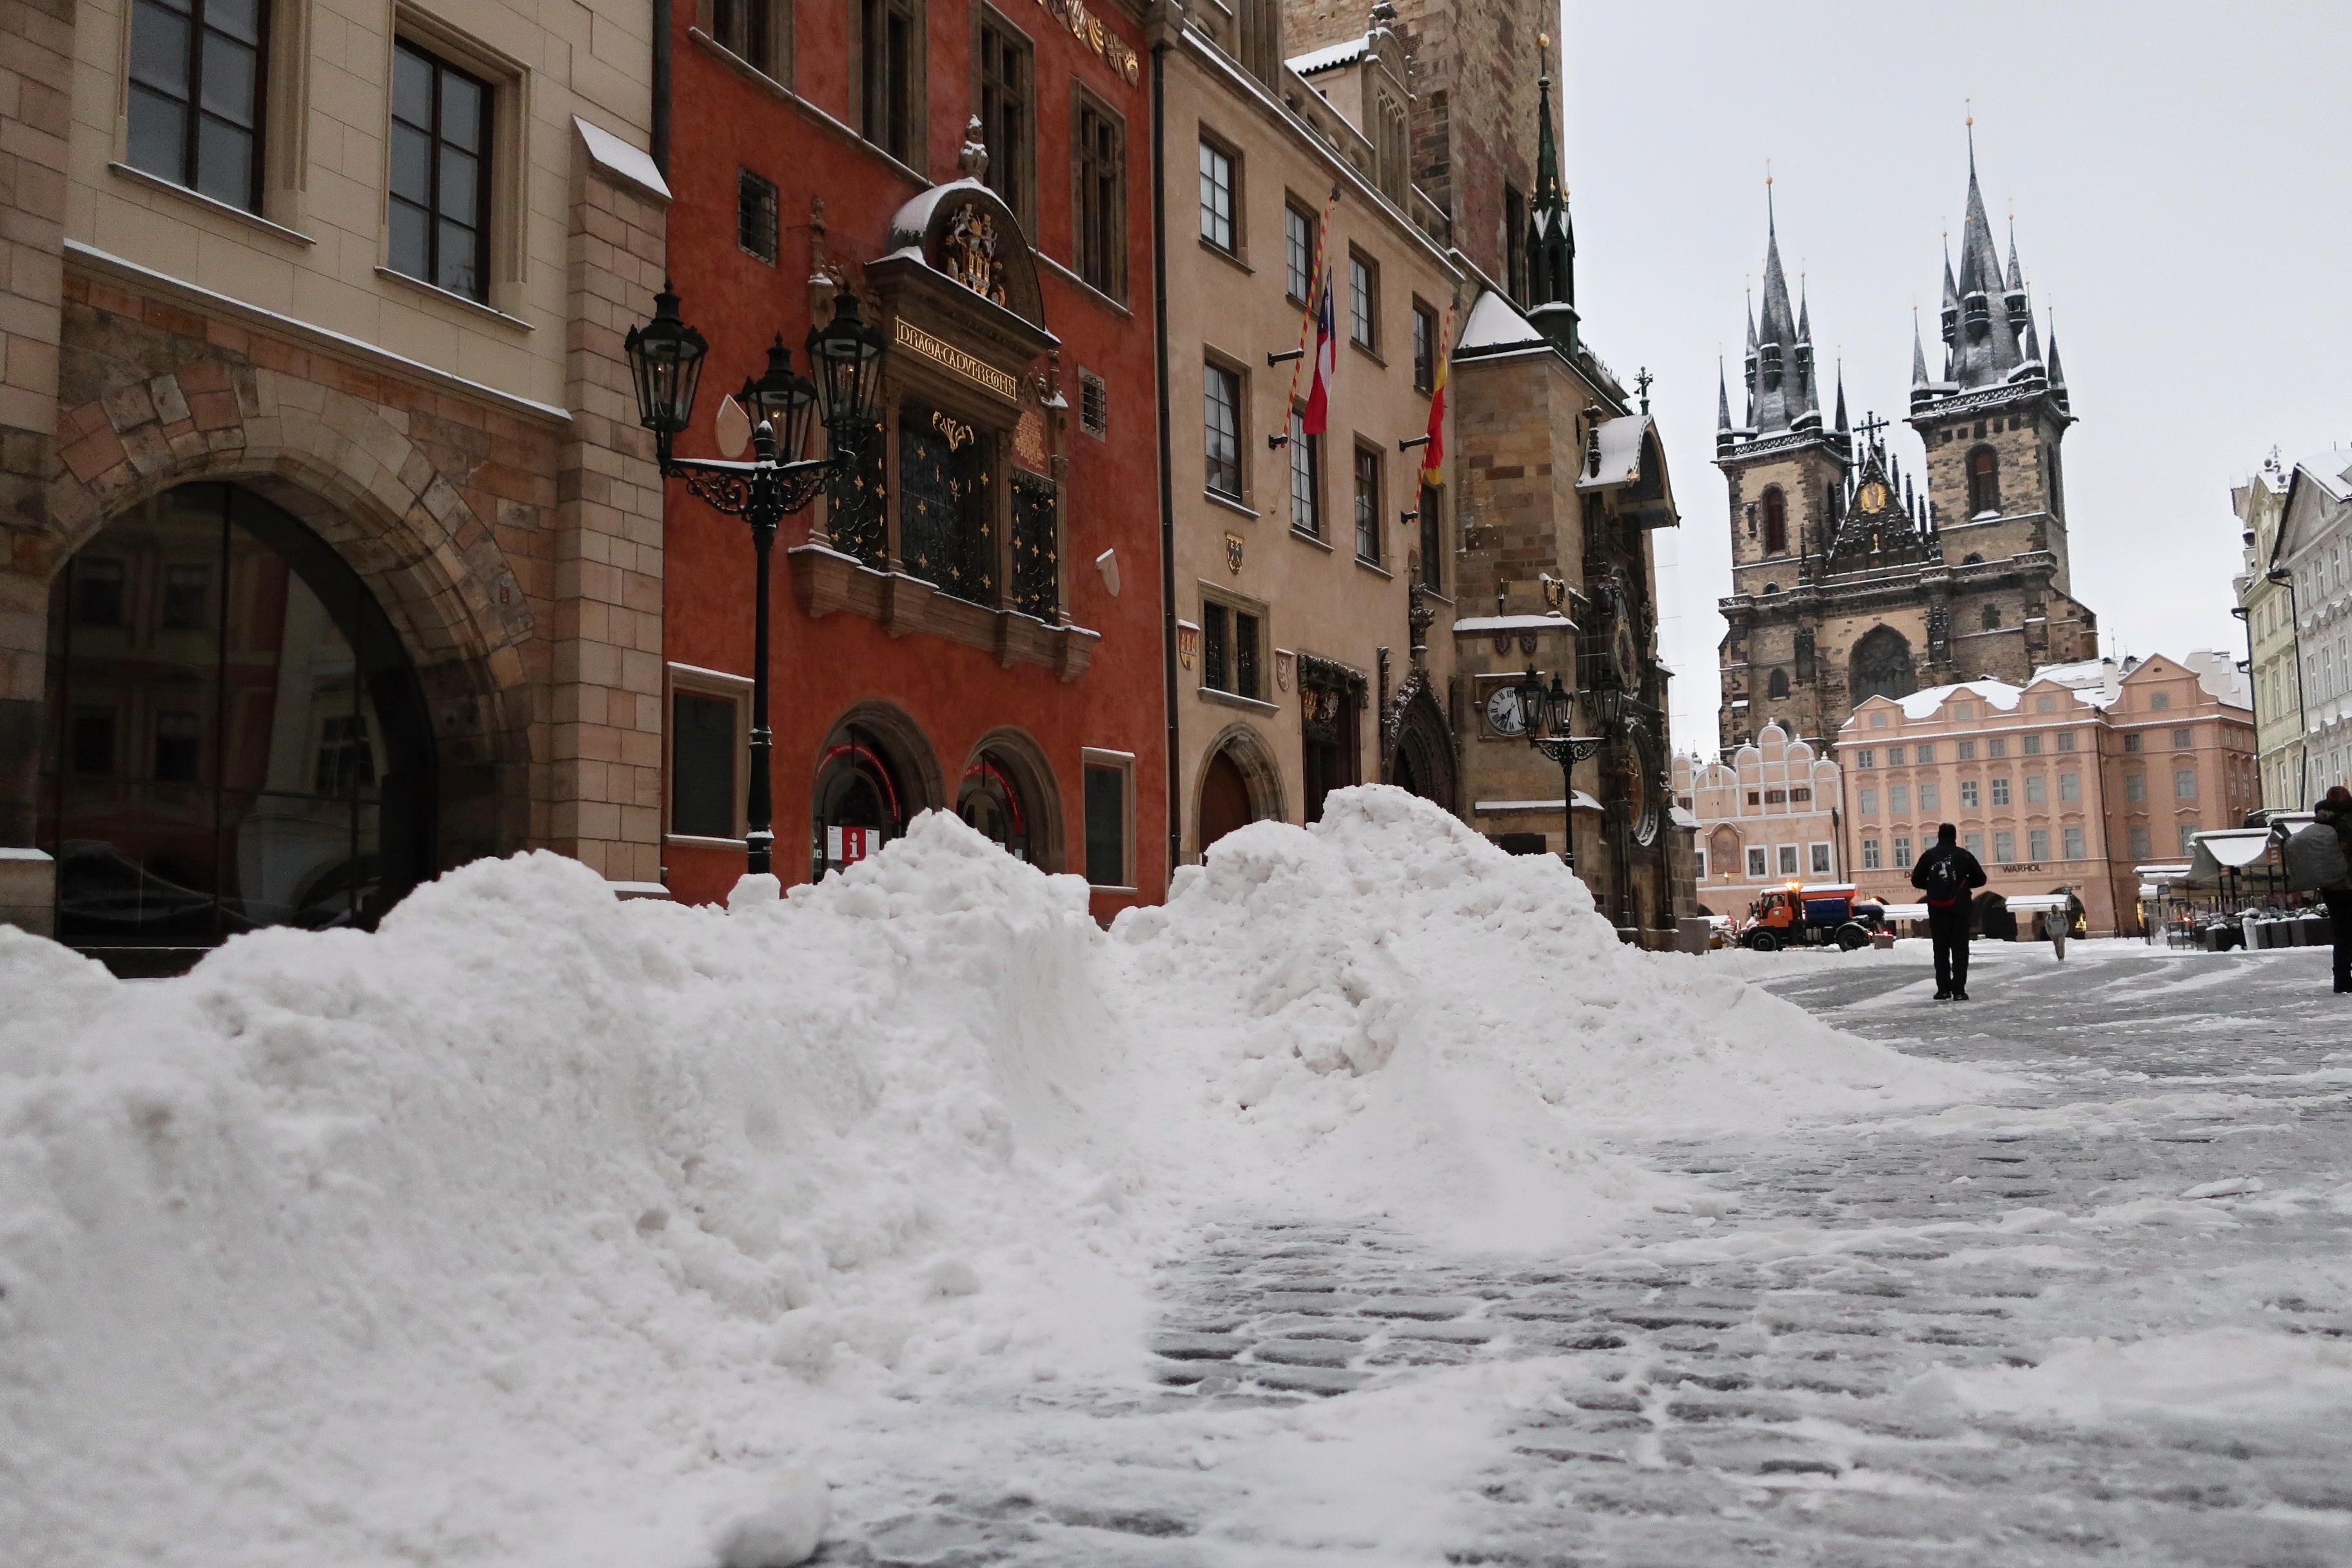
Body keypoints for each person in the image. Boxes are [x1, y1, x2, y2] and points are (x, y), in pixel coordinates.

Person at [1911, 822, 1988, 1001]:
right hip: (1960, 909)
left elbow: (1916, 880)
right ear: (1954, 836)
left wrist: (1932, 886)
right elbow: (1981, 879)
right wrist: (1963, 886)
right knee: (1960, 949)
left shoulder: (1929, 856)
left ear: (1939, 836)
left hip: (1937, 909)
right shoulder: (1964, 855)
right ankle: (1959, 990)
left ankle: (1943, 989)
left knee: (1941, 949)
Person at [2320, 785, 2352, 995]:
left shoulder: (2321, 822)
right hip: (2350, 884)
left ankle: (2341, 979)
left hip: (2330, 886)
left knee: (2341, 933)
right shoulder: (2349, 821)